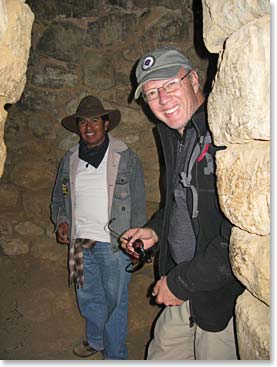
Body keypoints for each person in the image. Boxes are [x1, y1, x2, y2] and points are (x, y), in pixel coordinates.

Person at [120, 46, 244, 360]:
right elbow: (180, 205)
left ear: (192, 80)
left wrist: (179, 283)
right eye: (151, 93)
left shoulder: (226, 135)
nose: (162, 99)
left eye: (170, 85)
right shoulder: (177, 135)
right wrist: (154, 232)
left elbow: (238, 239)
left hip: (220, 297)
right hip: (183, 281)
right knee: (160, 353)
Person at [50, 95, 146, 360]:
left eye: (94, 121)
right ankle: (95, 339)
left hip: (114, 243)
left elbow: (138, 202)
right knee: (88, 295)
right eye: (83, 122)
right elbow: (59, 199)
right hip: (80, 242)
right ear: (78, 127)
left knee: (116, 302)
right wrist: (62, 221)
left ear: (106, 124)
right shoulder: (70, 160)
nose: (88, 127)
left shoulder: (124, 157)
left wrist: (136, 241)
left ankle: (114, 355)